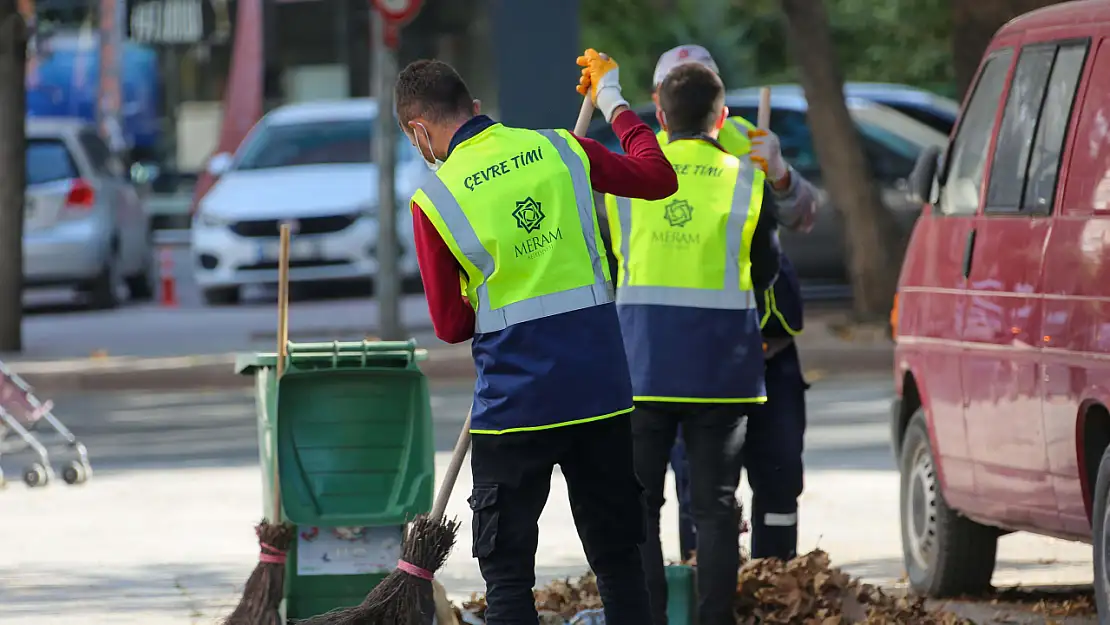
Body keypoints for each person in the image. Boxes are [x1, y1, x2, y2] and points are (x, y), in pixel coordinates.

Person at [400, 53, 679, 625]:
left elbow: (451, 325)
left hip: (514, 406)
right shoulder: (560, 149)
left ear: (419, 130)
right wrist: (614, 102)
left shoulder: (436, 198)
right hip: (600, 391)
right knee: (620, 560)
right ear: (475, 110)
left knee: (508, 577)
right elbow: (658, 177)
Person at [598, 62, 780, 625]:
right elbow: (767, 269)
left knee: (639, 508)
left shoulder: (628, 179)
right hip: (720, 370)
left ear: (660, 115)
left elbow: (608, 266)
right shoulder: (748, 179)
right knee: (716, 509)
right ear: (721, 118)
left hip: (643, 367)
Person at [651, 44, 817, 564]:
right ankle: (703, 591)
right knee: (699, 494)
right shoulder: (648, 158)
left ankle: (777, 584)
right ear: (659, 101)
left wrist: (782, 176)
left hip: (768, 348)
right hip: (699, 357)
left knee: (780, 475)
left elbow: (804, 215)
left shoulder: (753, 141)